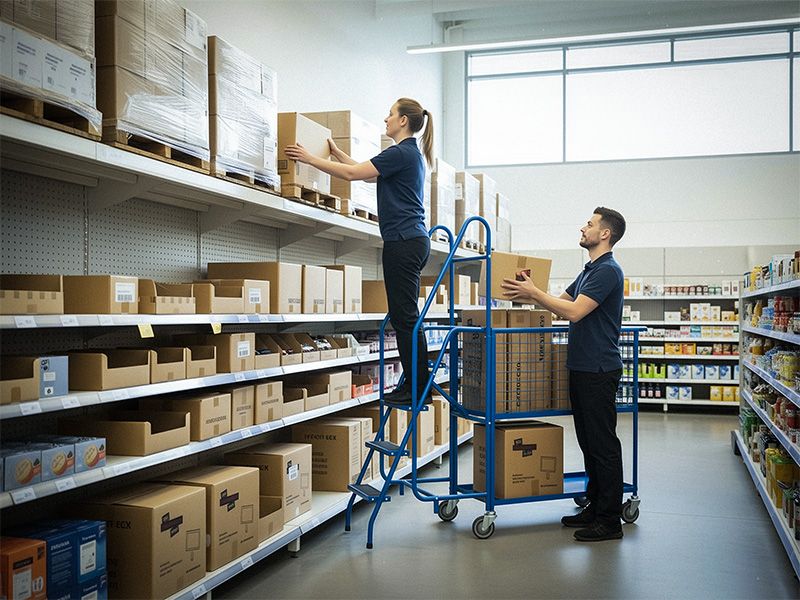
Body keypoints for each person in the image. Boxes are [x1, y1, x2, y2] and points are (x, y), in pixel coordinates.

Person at [285, 98, 434, 407]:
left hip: (403, 242)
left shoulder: (400, 152)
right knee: (406, 317)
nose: (386, 119)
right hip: (412, 240)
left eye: (391, 114)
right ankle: (418, 383)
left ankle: (417, 388)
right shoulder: (408, 154)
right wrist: (337, 153)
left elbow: (354, 176)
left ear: (404, 121)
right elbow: (364, 171)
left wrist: (310, 159)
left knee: (404, 319)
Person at [501, 207, 627, 542]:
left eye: (589, 224)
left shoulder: (608, 271)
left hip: (599, 369)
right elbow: (559, 302)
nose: (582, 227)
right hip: (583, 367)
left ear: (605, 234)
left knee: (603, 444)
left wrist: (534, 293)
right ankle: (595, 506)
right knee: (588, 442)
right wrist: (525, 293)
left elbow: (573, 312)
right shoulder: (589, 270)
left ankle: (610, 520)